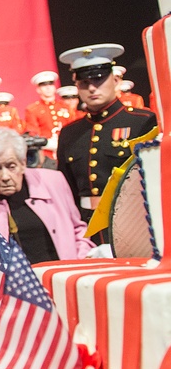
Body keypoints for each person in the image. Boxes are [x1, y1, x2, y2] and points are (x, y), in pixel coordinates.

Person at [0, 128, 95, 305]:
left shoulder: (54, 181)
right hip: (10, 303)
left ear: (23, 164)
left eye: (11, 166)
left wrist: (78, 273)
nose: (4, 176)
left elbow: (79, 231)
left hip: (65, 289)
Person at [56, 43, 157, 230]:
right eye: (85, 82)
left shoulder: (142, 122)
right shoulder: (70, 133)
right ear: (76, 84)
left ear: (116, 80)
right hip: (87, 226)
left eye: (99, 80)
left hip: (134, 224)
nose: (92, 88)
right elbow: (67, 190)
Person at [23, 70, 70, 165]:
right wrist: (50, 144)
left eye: (50, 84)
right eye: (44, 85)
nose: (48, 88)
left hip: (68, 149)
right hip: (47, 154)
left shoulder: (65, 106)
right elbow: (33, 132)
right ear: (38, 89)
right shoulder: (33, 109)